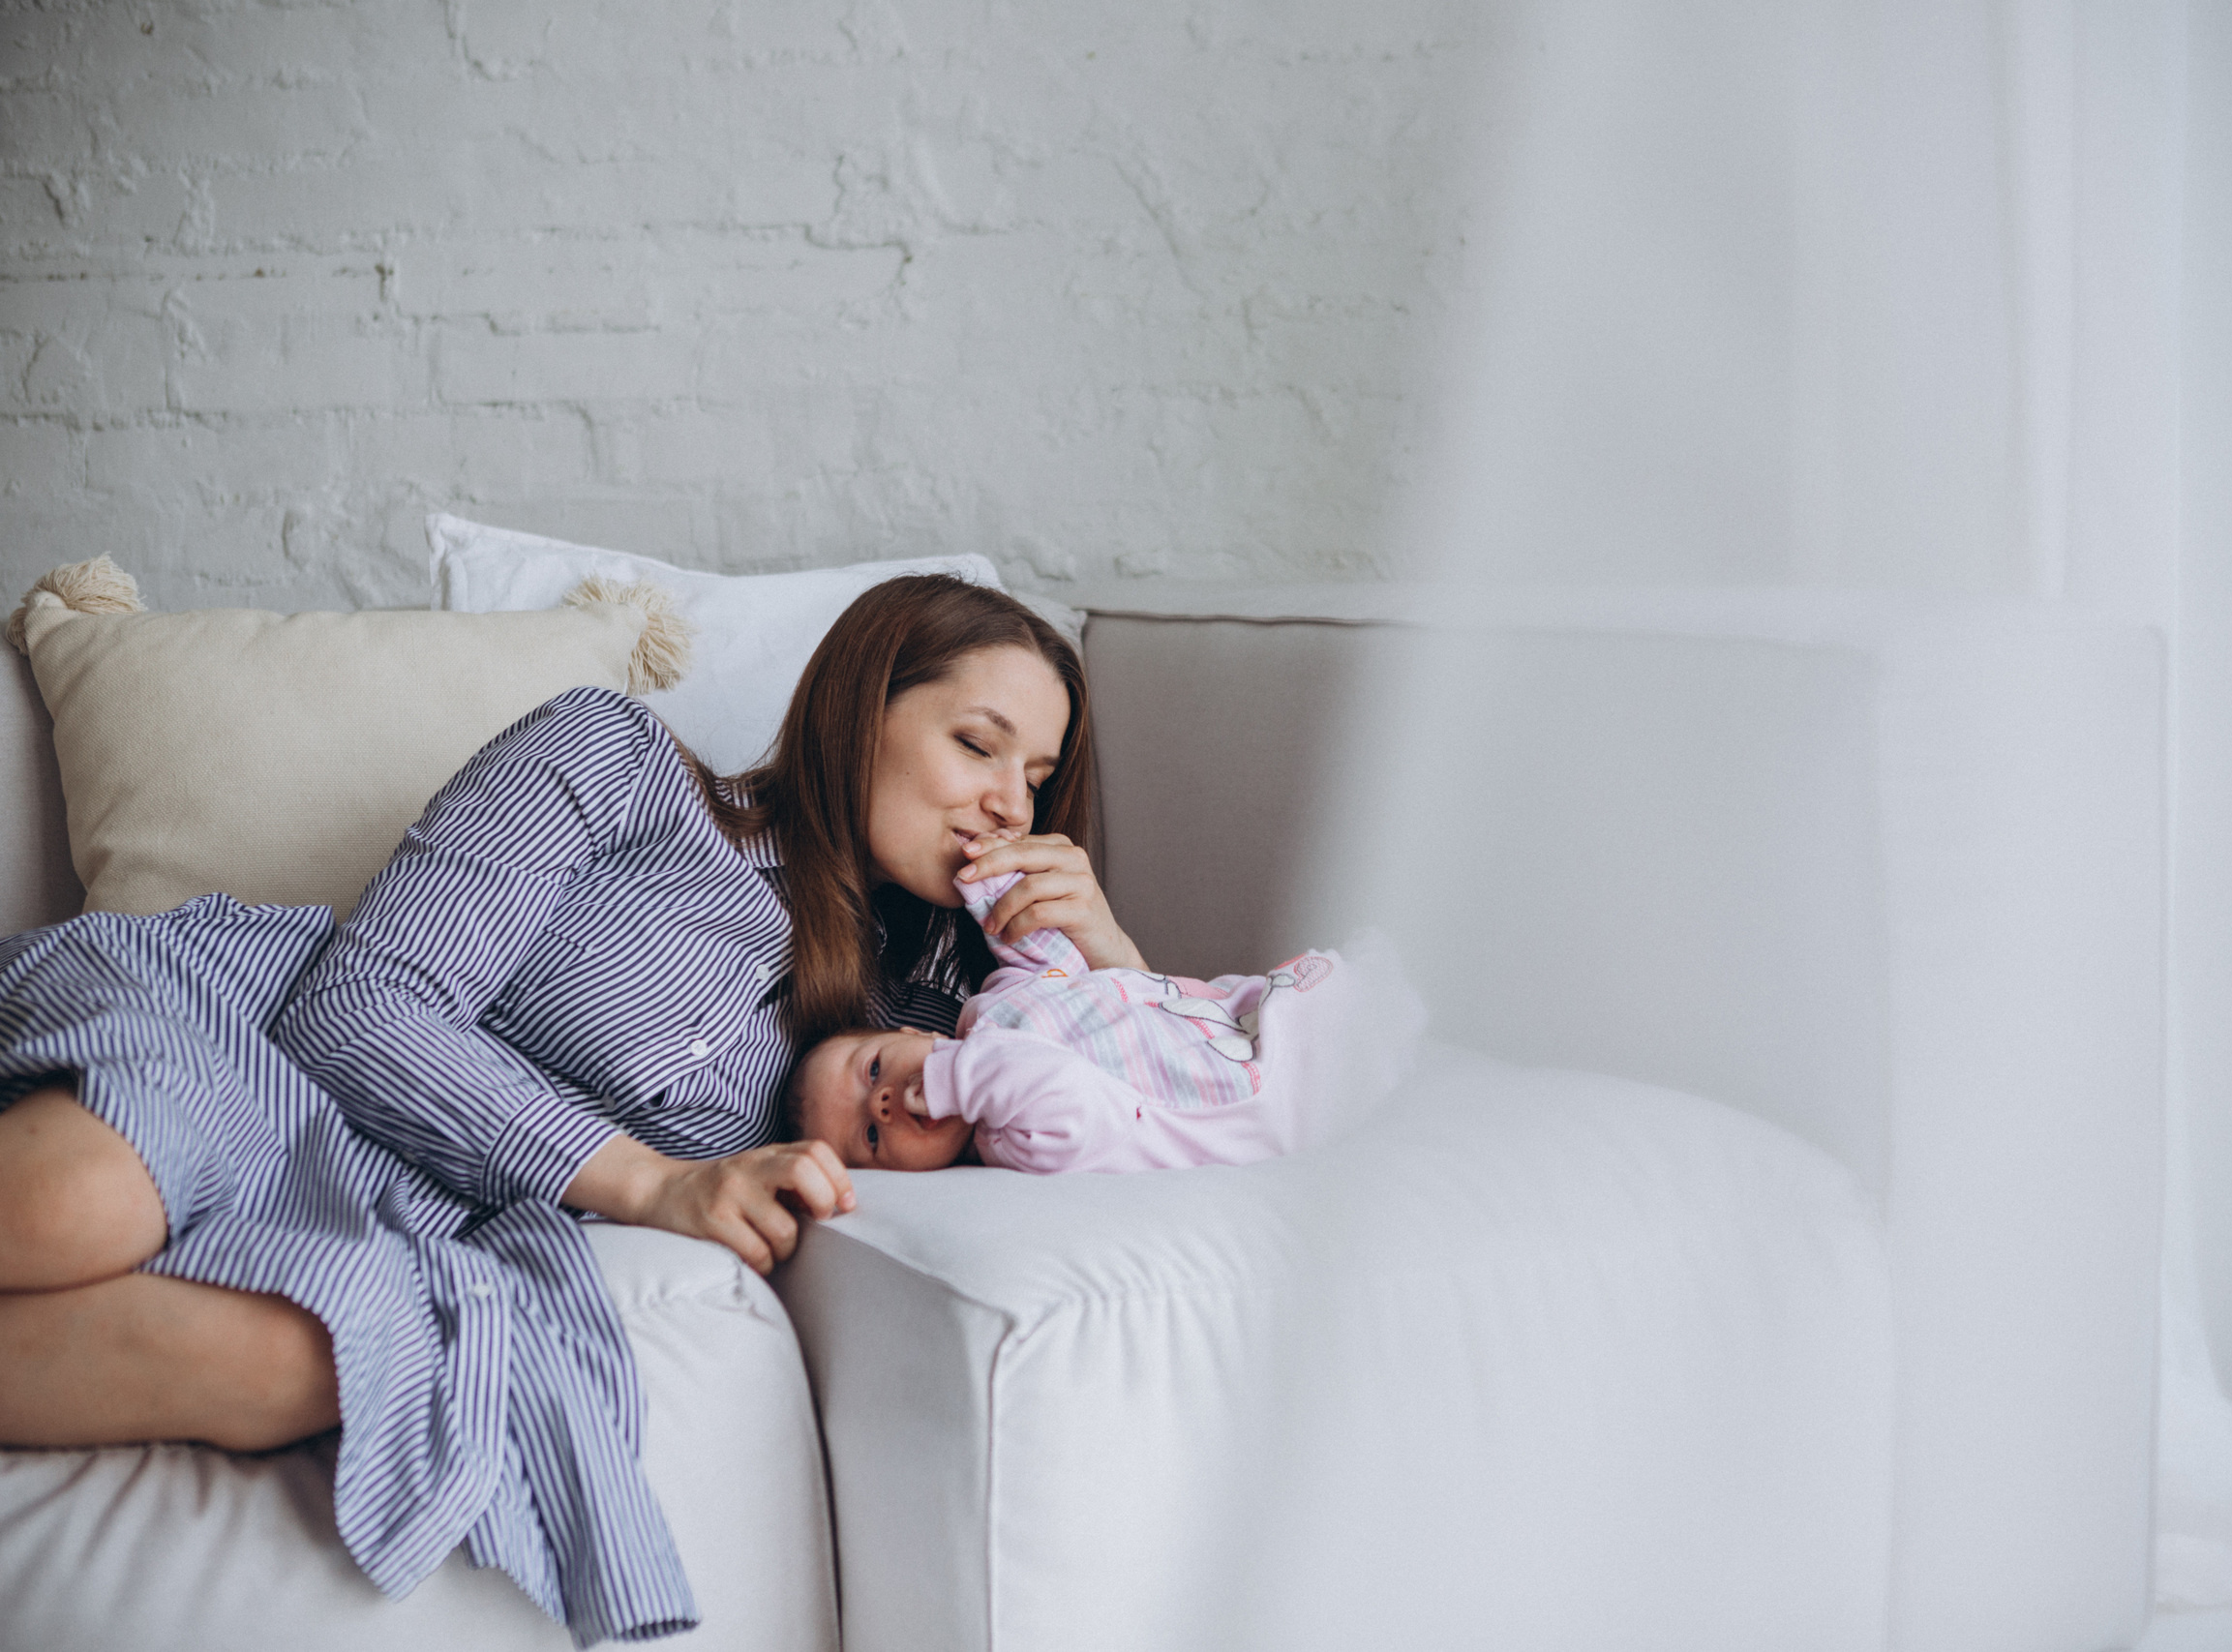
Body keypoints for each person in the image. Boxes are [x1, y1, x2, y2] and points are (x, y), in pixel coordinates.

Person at [0, 575, 1129, 1640]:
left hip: (415, 1206)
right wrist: (651, 1181)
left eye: (1035, 775)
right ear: (858, 710)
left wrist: (1109, 966)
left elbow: (1136, 1134)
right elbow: (358, 1009)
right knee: (85, 1204)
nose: (1005, 801)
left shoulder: (925, 1028)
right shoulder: (617, 761)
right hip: (250, 1042)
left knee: (318, 1357)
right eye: (977, 744)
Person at [792, 865, 1411, 1175]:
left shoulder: (984, 1014)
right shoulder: (1015, 1141)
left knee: (1383, 967)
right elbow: (1061, 1089)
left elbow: (1054, 965)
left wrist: (992, 886)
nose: (883, 1103)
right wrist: (952, 1079)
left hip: (1236, 1013)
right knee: (1402, 1018)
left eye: (872, 1069)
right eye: (872, 1140)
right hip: (1274, 1089)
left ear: (910, 1034)